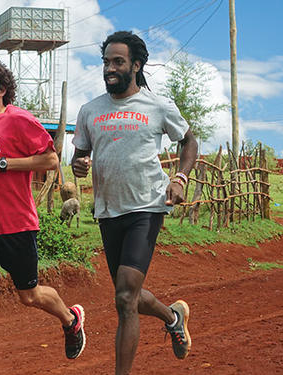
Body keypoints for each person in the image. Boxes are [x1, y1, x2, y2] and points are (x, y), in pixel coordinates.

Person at [0, 57, 86, 375]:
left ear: (2, 89)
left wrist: (6, 163)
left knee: (29, 296)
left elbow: (51, 159)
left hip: (16, 225)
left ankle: (70, 319)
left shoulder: (20, 120)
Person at [71, 31, 198, 374]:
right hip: (109, 210)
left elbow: (189, 142)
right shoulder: (89, 110)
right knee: (127, 294)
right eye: (106, 62)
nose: (109, 69)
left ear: (136, 65)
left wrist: (180, 178)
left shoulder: (157, 106)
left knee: (125, 298)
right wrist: (78, 164)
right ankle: (173, 317)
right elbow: (79, 157)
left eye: (118, 62)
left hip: (147, 205)